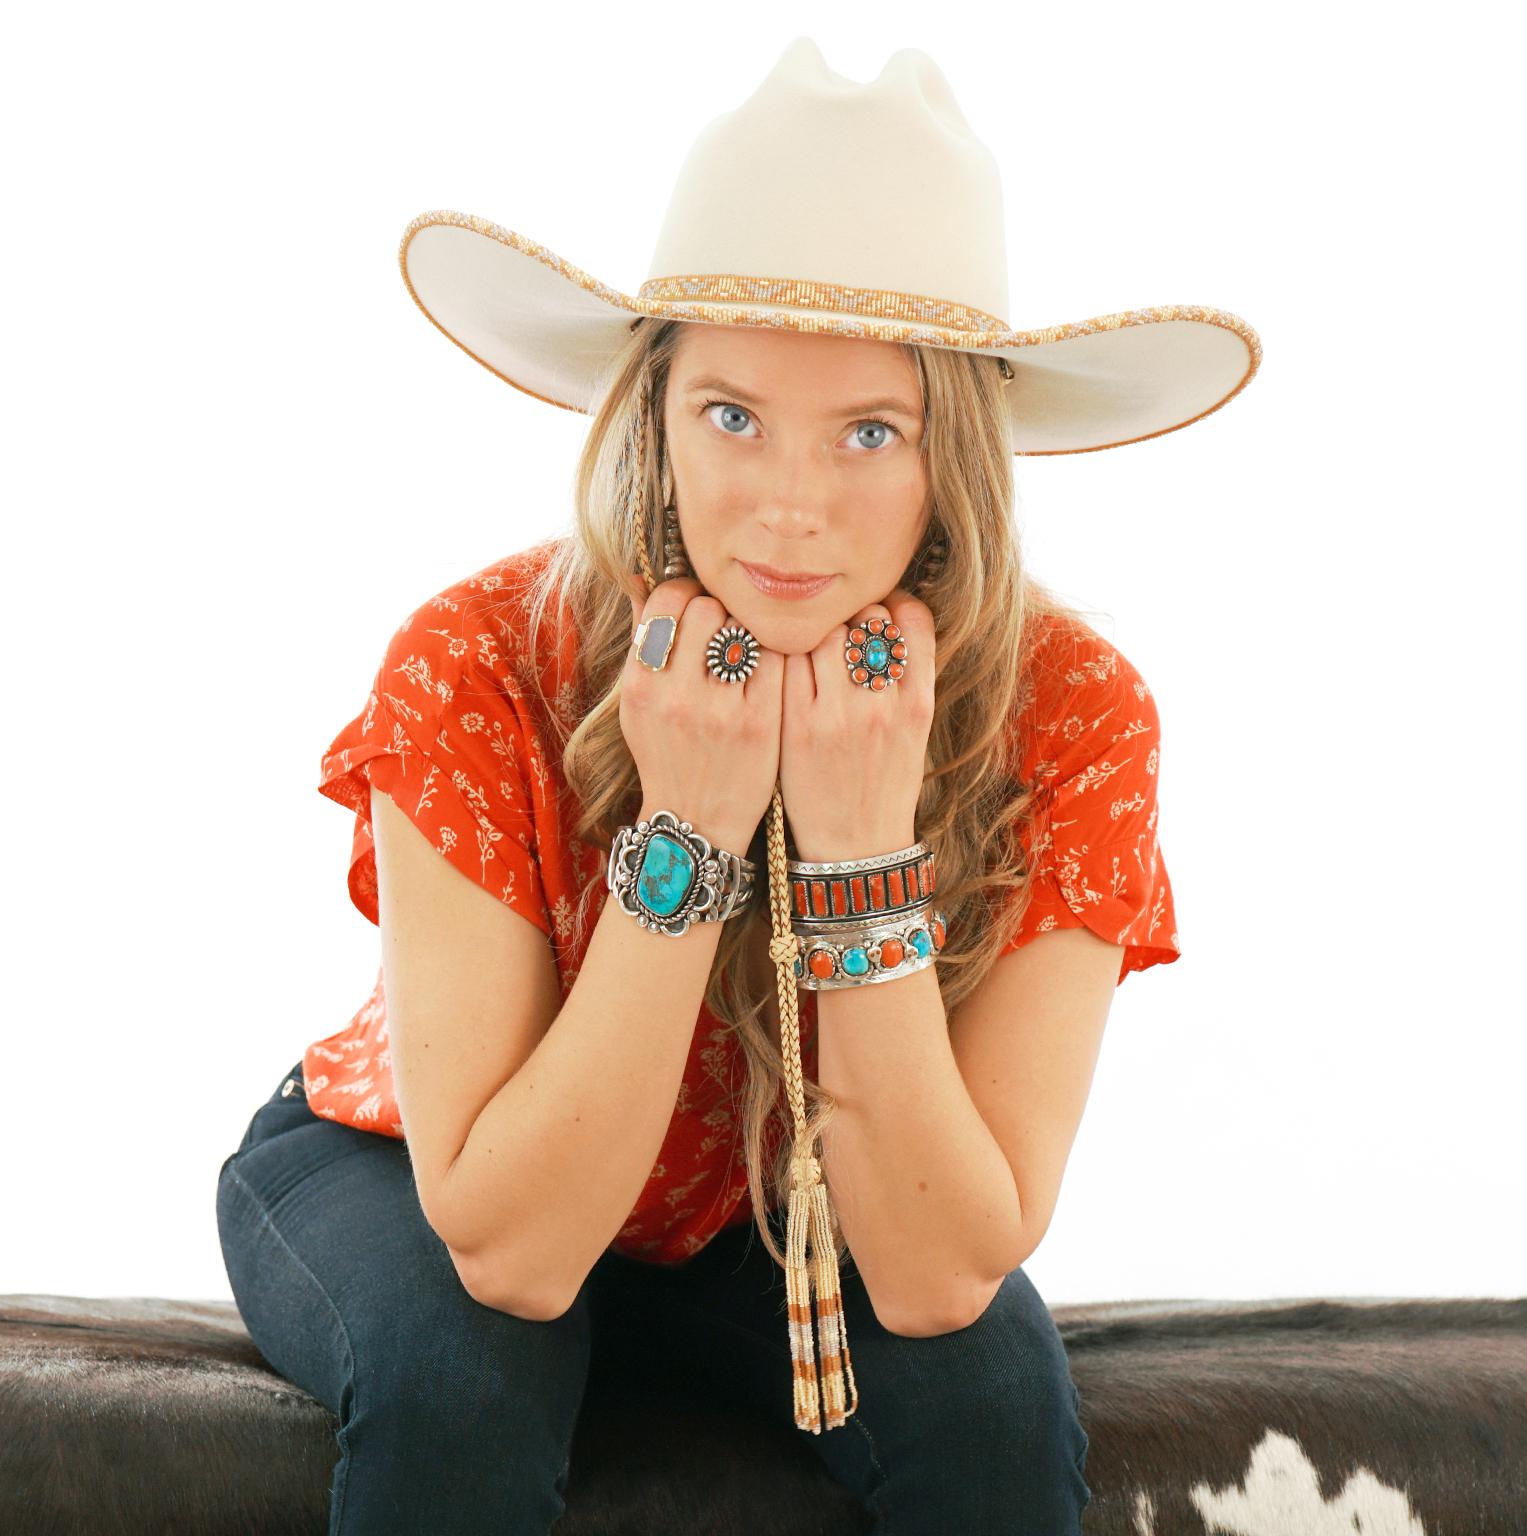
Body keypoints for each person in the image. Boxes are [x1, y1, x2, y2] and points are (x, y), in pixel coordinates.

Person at [215, 35, 1258, 1536]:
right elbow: (509, 1250)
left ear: (952, 455)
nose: (788, 507)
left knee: (997, 1403)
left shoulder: (1074, 714)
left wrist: (852, 847)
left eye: (871, 433)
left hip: (783, 1215)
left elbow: (942, 1275)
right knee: (465, 1375)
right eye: (731, 416)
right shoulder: (475, 657)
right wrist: (689, 824)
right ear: (652, 416)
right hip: (413, 1168)